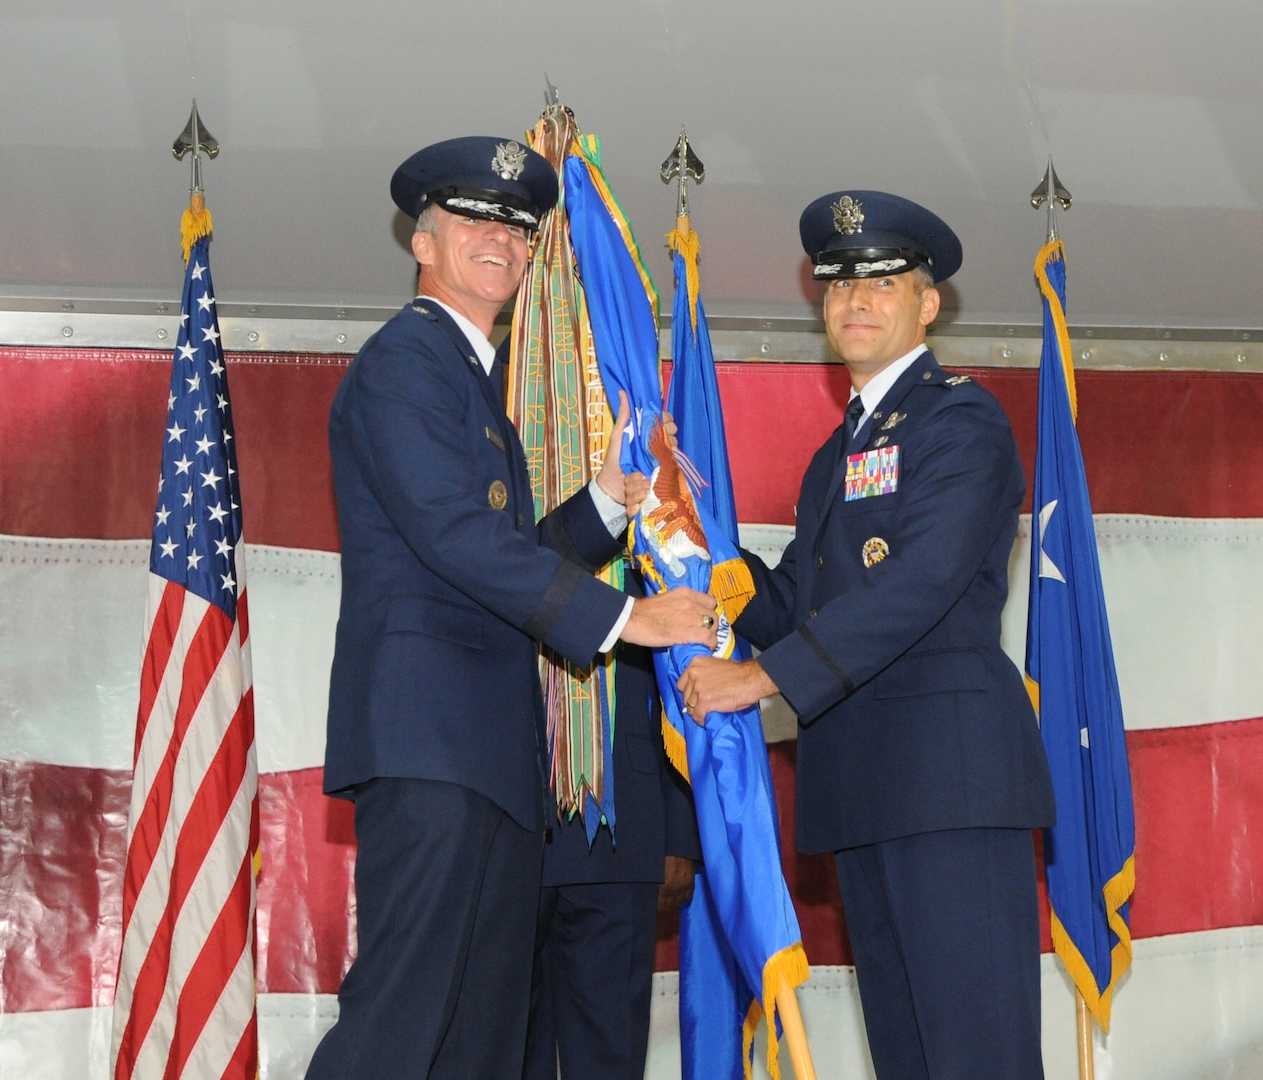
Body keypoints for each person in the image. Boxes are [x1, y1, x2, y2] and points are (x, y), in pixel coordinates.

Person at [307, 135, 717, 1080]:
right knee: (404, 1019)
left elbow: (501, 556)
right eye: (475, 219)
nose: (501, 237)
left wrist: (613, 499)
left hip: (487, 763)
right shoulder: (406, 362)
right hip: (432, 746)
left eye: (518, 228)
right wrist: (629, 620)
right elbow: (458, 537)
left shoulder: (467, 384)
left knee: (477, 1038)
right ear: (423, 240)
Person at [677, 190, 1056, 1080]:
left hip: (947, 781)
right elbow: (799, 601)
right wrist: (701, 551)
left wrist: (758, 680)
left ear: (928, 304)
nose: (855, 298)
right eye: (838, 281)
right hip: (865, 789)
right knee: (909, 1059)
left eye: (884, 281)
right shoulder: (834, 454)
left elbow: (915, 585)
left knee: (977, 1056)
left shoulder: (960, 419)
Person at [522, 562, 700, 1080]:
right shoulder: (502, 483)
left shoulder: (646, 488)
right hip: (512, 818)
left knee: (610, 1060)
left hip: (625, 821)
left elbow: (680, 674)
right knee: (499, 1053)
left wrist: (678, 831)